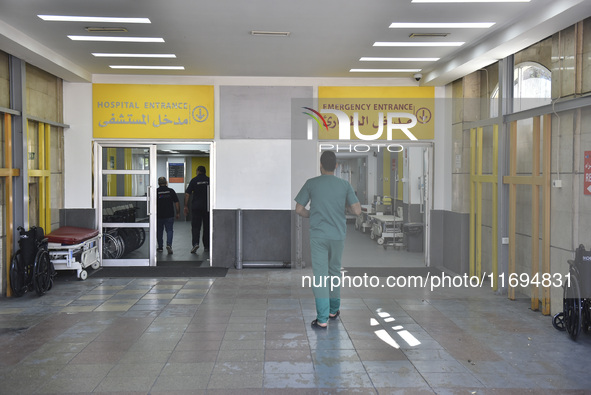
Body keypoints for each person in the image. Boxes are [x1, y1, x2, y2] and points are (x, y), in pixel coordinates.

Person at [295, 151, 361, 329]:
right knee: (334, 273)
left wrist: (313, 214)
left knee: (320, 277)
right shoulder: (344, 185)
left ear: (320, 165)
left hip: (318, 236)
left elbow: (299, 209)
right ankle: (333, 310)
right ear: (337, 166)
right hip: (338, 236)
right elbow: (357, 211)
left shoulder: (311, 184)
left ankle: (322, 319)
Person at [184, 165, 210, 253]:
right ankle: (207, 246)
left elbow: (187, 194)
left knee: (195, 227)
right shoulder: (209, 180)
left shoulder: (194, 180)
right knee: (207, 227)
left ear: (198, 171)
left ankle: (195, 244)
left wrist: (185, 206)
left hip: (196, 207)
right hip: (207, 207)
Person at [156, 176, 180, 254]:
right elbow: (176, 202)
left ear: (158, 183)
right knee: (169, 230)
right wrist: (178, 212)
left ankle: (160, 247)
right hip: (169, 215)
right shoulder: (171, 191)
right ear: (166, 182)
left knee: (159, 231)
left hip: (159, 215)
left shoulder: (156, 192)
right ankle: (169, 245)